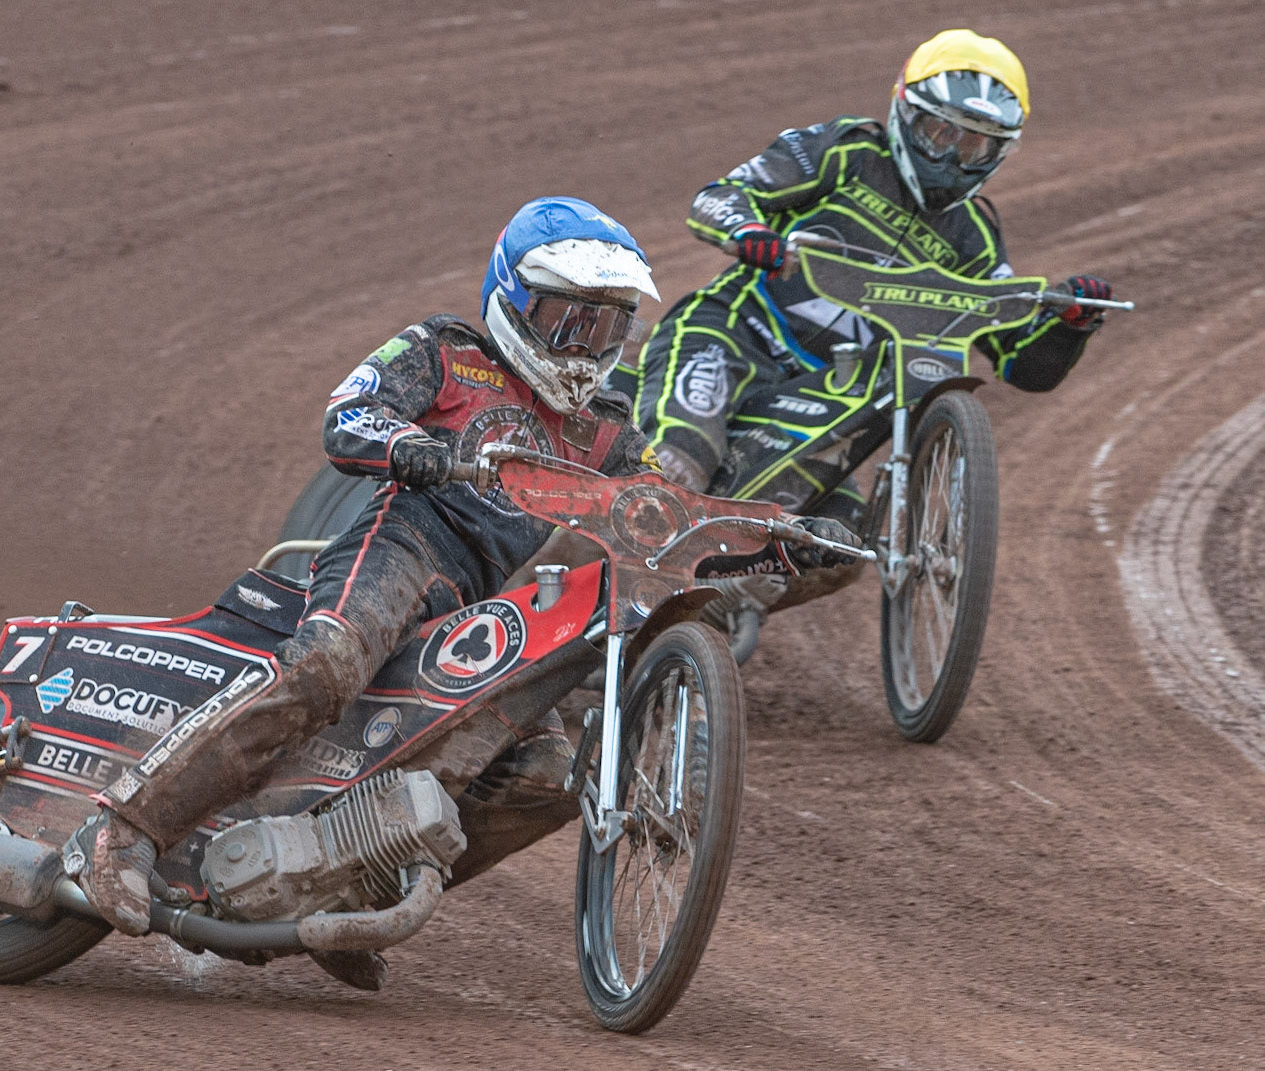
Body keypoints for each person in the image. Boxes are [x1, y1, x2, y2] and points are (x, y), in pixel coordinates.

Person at [64, 196, 835, 989]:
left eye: (604, 326)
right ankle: (123, 829)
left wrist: (767, 534)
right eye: (566, 319)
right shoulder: (447, 351)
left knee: (547, 778)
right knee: (329, 661)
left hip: (485, 600)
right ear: (512, 297)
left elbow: (655, 510)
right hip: (404, 545)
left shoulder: (604, 426)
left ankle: (350, 890)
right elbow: (349, 411)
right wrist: (409, 444)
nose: (583, 345)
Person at [610, 28, 1117, 627]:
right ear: (907, 112)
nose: (954, 158)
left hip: (828, 395)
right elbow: (721, 195)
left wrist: (1070, 326)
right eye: (942, 133)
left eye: (976, 146)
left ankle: (695, 625)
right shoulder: (845, 151)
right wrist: (749, 233)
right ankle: (588, 601)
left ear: (1002, 152)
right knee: (677, 468)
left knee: (838, 546)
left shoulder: (974, 236)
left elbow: (1019, 362)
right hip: (731, 338)